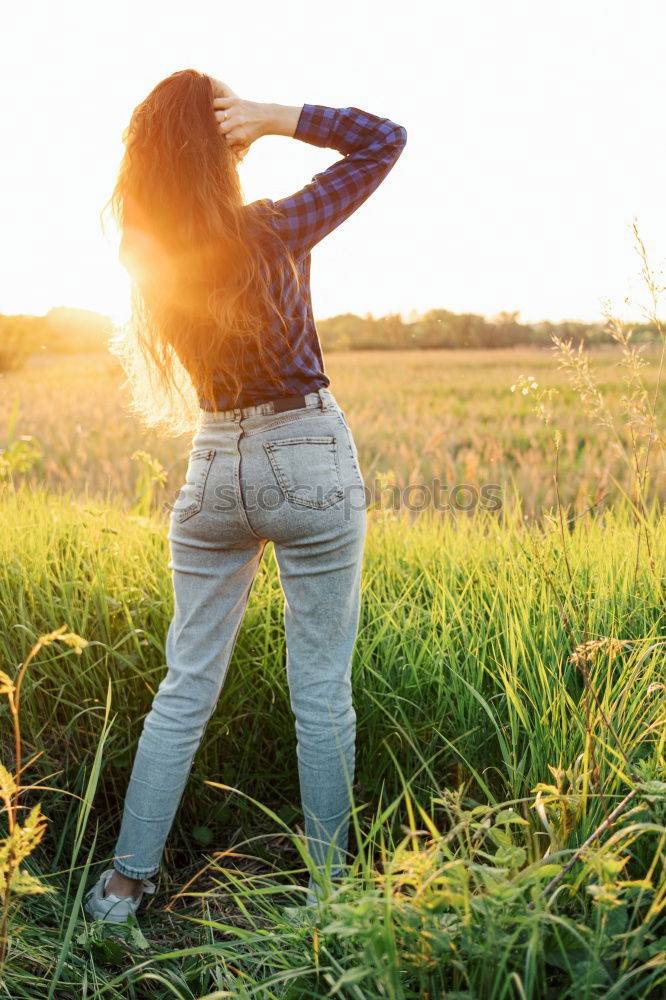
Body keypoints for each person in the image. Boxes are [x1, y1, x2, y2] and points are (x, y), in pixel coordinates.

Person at [84, 68, 407, 923]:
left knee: (182, 688)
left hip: (212, 464)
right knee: (321, 694)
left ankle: (121, 888)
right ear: (220, 147)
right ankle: (330, 898)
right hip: (305, 453)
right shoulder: (275, 230)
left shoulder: (147, 257)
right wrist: (274, 116)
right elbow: (384, 139)